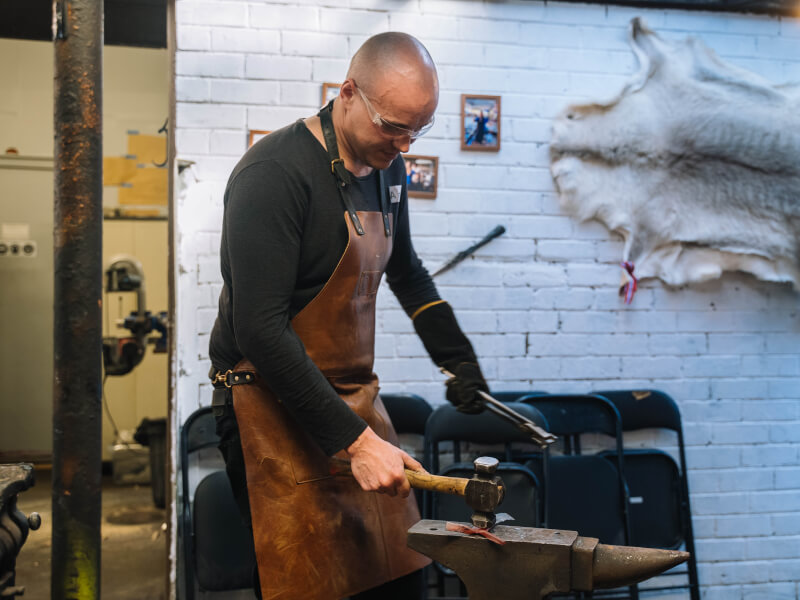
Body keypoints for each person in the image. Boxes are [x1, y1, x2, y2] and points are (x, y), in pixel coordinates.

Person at [208, 32, 488, 600]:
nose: (405, 145)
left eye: (418, 128)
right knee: (309, 588)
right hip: (268, 407)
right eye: (392, 125)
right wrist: (356, 444)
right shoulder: (274, 175)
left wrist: (457, 360)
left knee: (398, 576)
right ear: (348, 92)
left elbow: (405, 271)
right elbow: (257, 330)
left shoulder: (389, 170)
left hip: (353, 403)